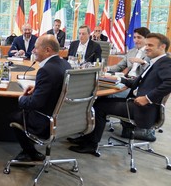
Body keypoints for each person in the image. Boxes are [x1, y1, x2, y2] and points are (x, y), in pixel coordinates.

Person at [68, 33, 171, 154]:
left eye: (150, 45)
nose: (146, 47)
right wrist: (118, 79)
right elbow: (139, 82)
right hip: (136, 102)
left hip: (143, 108)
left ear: (162, 47)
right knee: (99, 101)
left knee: (98, 107)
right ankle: (86, 138)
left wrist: (147, 98)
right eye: (146, 44)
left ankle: (91, 144)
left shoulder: (165, 62)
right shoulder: (155, 62)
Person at [11, 34, 71, 162]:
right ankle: (30, 152)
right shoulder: (66, 64)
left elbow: (35, 103)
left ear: (47, 50)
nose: (33, 51)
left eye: (36, 48)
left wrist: (21, 98)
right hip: (64, 119)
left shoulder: (46, 70)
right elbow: (56, 88)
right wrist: (38, 87)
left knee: (14, 114)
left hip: (46, 121)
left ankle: (30, 153)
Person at [106, 27, 156, 141]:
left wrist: (142, 63)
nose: (136, 40)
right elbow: (119, 66)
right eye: (134, 37)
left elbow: (151, 72)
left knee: (107, 96)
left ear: (146, 39)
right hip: (126, 81)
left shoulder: (150, 53)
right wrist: (106, 68)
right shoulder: (132, 51)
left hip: (137, 87)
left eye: (139, 37)